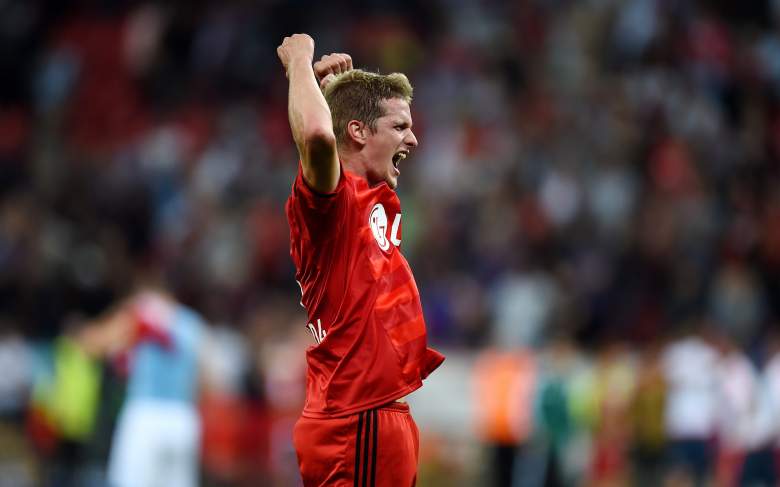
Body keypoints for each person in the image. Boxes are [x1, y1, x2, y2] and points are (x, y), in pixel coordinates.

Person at [277, 33, 445, 487]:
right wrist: (299, 61)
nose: (412, 137)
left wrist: (331, 94)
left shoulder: (371, 199)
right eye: (399, 126)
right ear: (357, 132)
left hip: (373, 415)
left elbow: (330, 129)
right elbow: (315, 135)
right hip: (357, 418)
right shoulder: (330, 205)